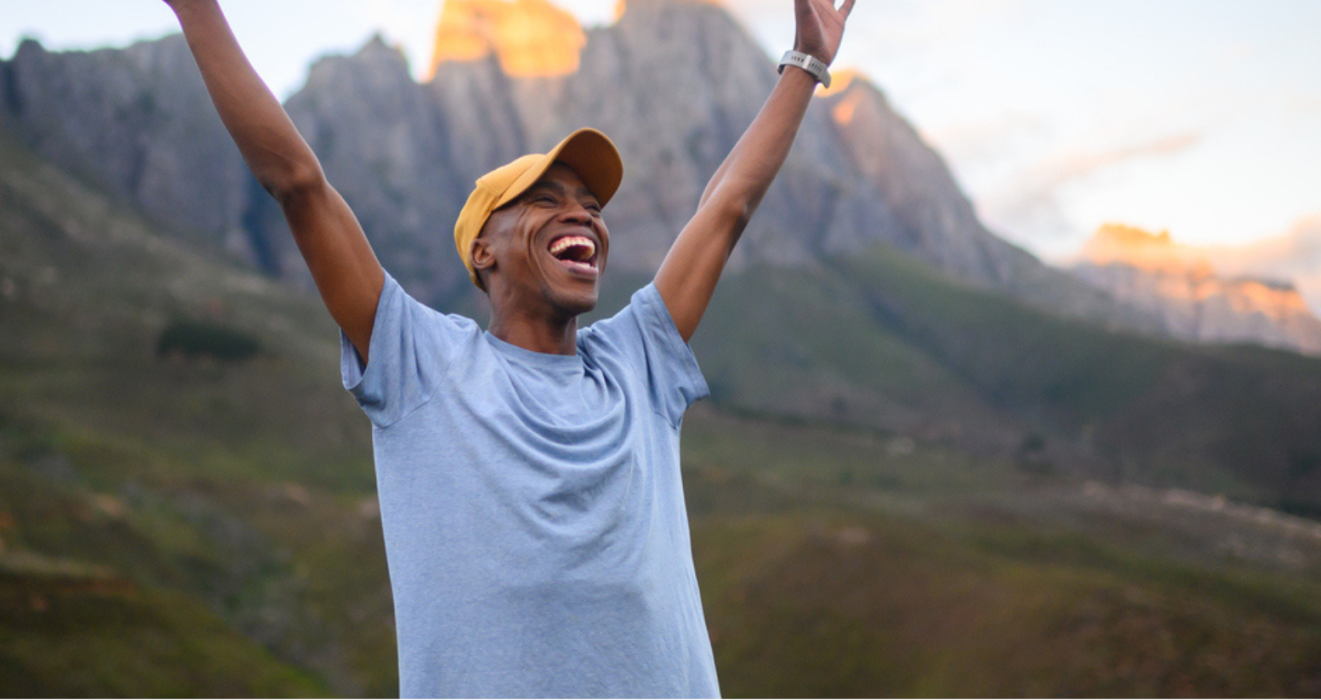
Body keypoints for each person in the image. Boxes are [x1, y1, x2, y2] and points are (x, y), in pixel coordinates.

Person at [162, 0, 856, 696]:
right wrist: (199, 13)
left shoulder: (638, 364)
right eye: (546, 198)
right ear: (482, 251)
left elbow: (725, 207)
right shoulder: (421, 363)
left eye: (590, 204)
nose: (581, 212)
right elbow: (299, 186)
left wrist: (806, 63)